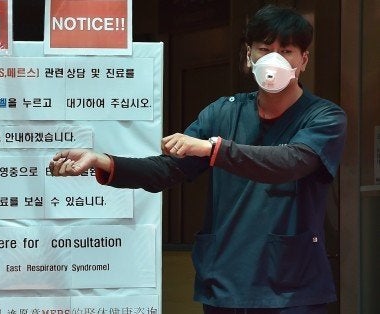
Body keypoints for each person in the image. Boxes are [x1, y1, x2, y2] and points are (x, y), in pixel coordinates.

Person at [49, 5, 346, 314]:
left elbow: (290, 161)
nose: (274, 60)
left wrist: (212, 149)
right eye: (265, 49)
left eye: (286, 51)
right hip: (225, 283)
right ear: (249, 55)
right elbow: (167, 170)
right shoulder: (223, 112)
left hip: (292, 289)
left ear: (303, 60)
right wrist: (104, 161)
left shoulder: (323, 117)